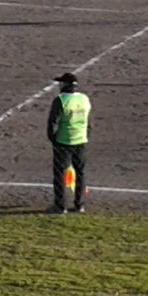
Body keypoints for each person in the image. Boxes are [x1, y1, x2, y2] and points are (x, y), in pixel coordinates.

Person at [46, 72, 91, 214]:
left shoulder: (61, 100)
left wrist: (54, 139)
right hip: (81, 140)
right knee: (80, 173)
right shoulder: (84, 99)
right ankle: (80, 205)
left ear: (65, 85)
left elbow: (53, 122)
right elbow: (89, 121)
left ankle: (60, 206)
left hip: (64, 141)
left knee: (60, 174)